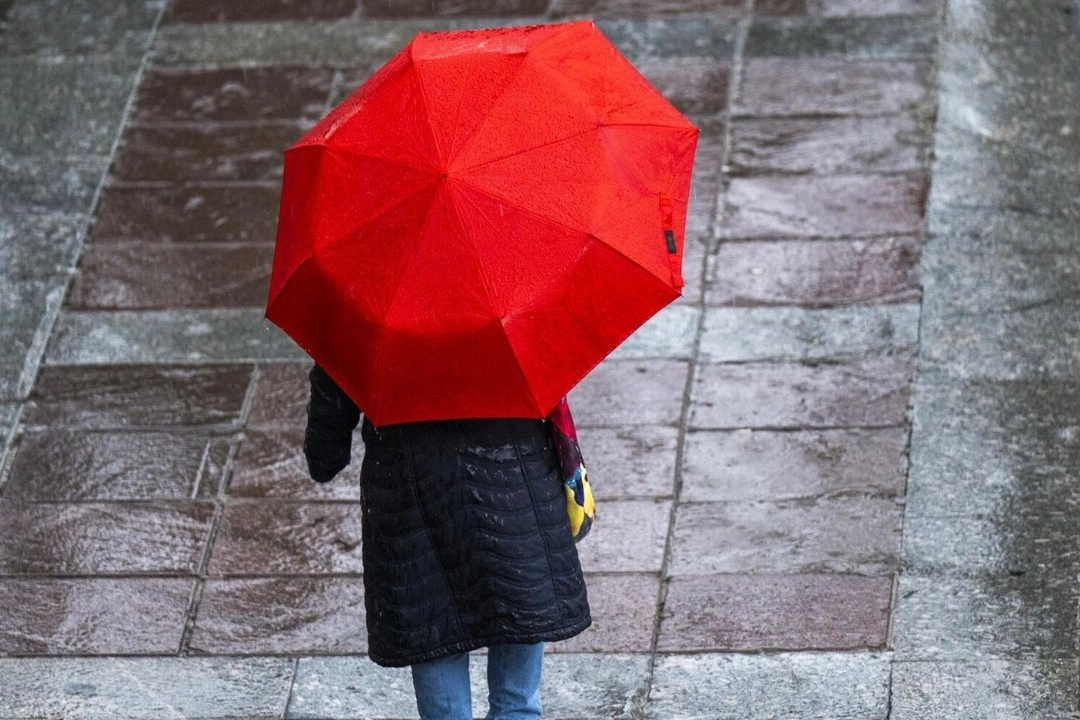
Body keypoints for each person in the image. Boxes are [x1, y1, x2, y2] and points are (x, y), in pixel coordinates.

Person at [302, 364, 592, 720]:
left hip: (414, 511)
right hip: (515, 494)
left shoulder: (365, 317)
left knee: (440, 667)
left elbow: (325, 457)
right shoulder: (517, 308)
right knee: (517, 704)